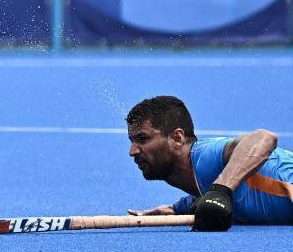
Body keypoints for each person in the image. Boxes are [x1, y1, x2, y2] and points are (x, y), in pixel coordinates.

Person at [125, 95, 293, 231]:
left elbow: (264, 138)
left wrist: (221, 191)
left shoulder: (206, 155)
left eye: (142, 139)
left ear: (177, 138)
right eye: (132, 141)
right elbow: (211, 189)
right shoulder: (200, 178)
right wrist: (175, 210)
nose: (132, 151)